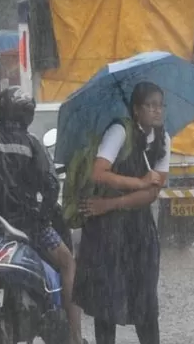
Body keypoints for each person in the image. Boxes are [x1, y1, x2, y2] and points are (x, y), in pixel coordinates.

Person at [0, 87, 83, 344]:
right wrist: (43, 217)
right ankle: (75, 336)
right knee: (69, 263)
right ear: (27, 115)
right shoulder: (31, 144)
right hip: (27, 226)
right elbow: (50, 186)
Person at [74, 81, 170, 344]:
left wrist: (114, 203)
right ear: (136, 110)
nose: (157, 111)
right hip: (108, 230)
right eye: (150, 105)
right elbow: (99, 172)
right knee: (106, 302)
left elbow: (153, 193)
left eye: (160, 105)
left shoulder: (164, 138)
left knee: (145, 302)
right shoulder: (119, 131)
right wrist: (138, 182)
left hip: (139, 229)